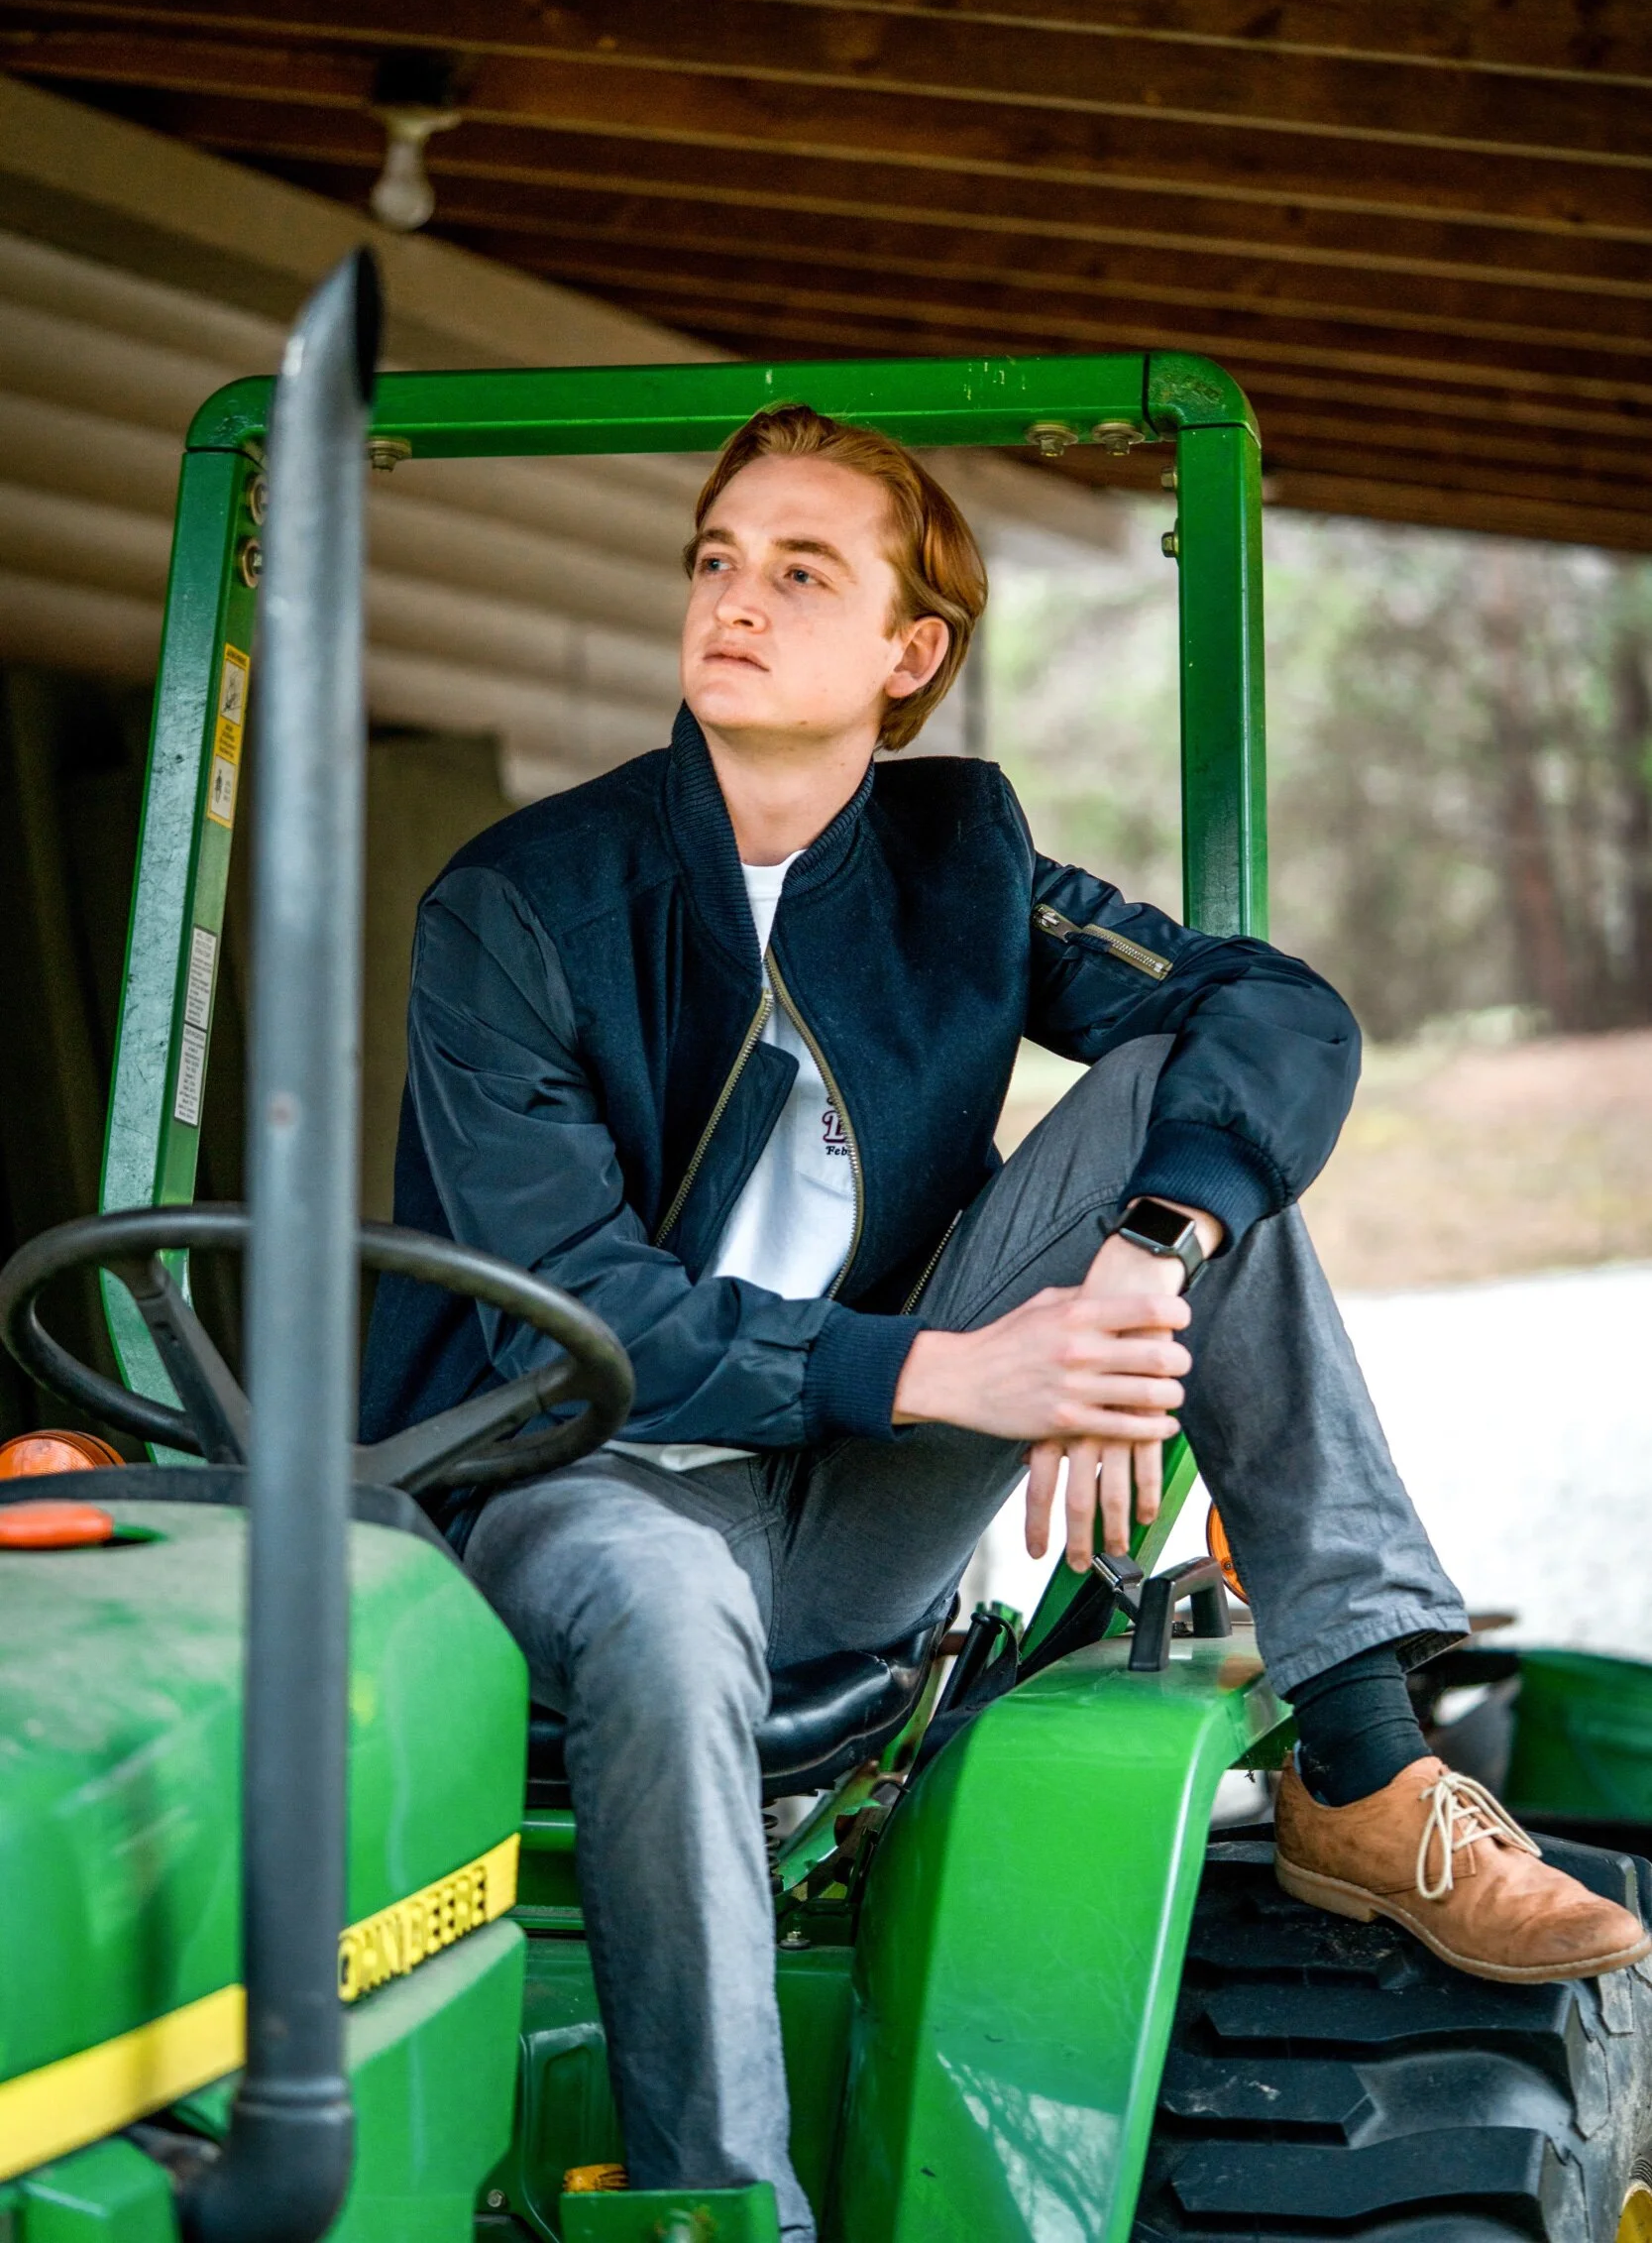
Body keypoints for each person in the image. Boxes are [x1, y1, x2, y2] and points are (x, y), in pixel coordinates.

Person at [361, 405, 1647, 2239]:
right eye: (716, 559)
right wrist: (962, 1370)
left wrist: (1142, 1262)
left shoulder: (958, 861)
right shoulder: (524, 904)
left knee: (1189, 1128)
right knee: (660, 1594)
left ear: (910, 655)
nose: (735, 600)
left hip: (856, 1504)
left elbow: (1278, 1012)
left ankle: (1364, 1760)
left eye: (802, 571)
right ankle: (728, 2210)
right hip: (586, 1491)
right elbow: (580, 1314)